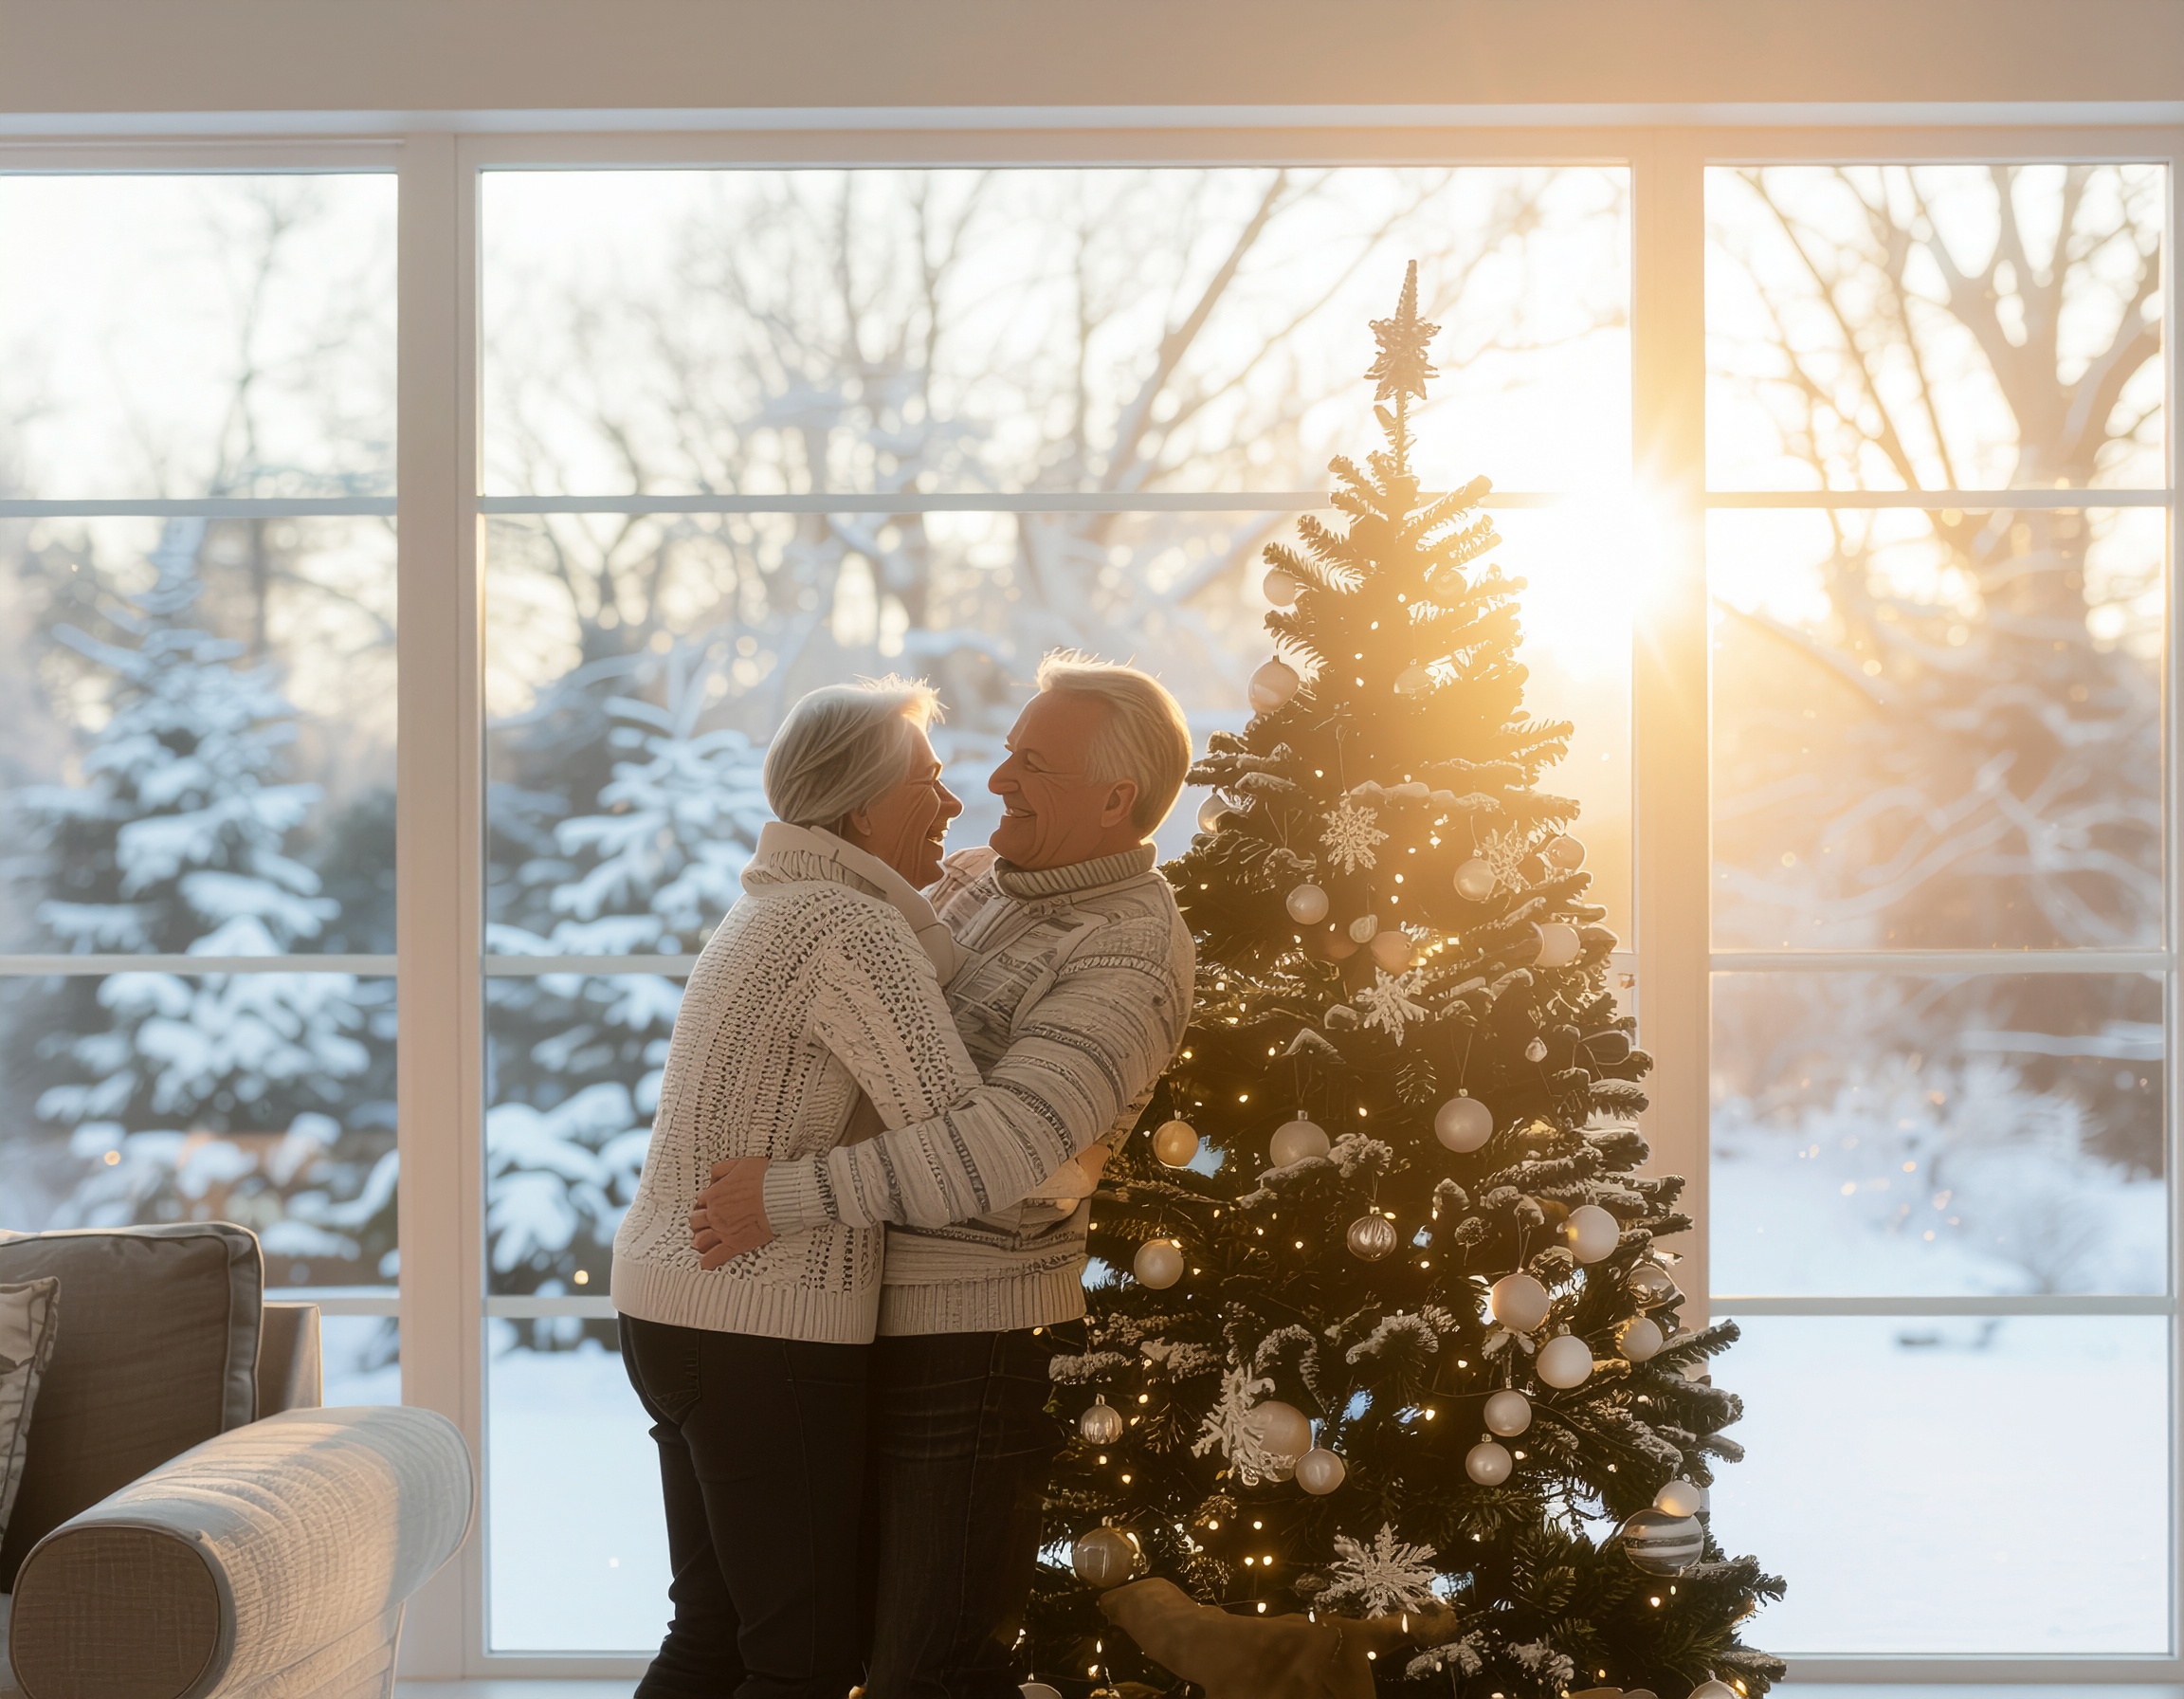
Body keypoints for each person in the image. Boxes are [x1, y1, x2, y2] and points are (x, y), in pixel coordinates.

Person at [690, 652, 1198, 1699]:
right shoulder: (968, 883)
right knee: (803, 1648)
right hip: (840, 1323)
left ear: (1116, 797)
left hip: (970, 1345)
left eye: (1033, 763)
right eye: (1009, 750)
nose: (997, 780)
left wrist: (784, 1195)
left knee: (930, 1667)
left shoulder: (1129, 951)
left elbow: (1003, 1157)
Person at [610, 677, 991, 1699]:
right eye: (933, 779)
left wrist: (943, 901)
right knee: (805, 1658)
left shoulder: (775, 906)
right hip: (765, 1326)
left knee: (716, 1634)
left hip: (671, 1307)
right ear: (864, 806)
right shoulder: (846, 926)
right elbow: (956, 1132)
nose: (953, 805)